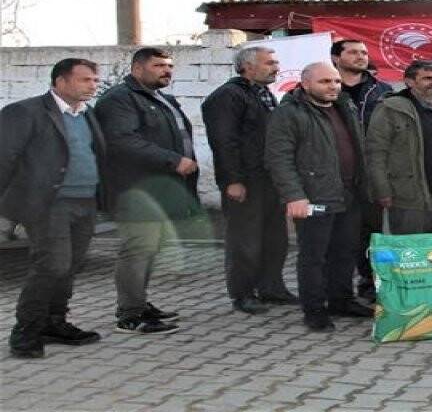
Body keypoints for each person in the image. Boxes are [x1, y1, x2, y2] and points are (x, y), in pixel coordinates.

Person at [1, 59, 107, 358]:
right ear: (60, 81)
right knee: (52, 265)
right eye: (85, 80)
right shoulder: (25, 112)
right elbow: (4, 157)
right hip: (48, 203)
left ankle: (54, 322)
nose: (93, 86)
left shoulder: (87, 113)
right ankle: (26, 332)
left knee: (71, 265)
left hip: (86, 201)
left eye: (95, 80)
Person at [96, 47, 201, 335]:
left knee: (150, 247)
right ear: (137, 68)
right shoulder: (119, 99)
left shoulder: (161, 98)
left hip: (160, 188)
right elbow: (121, 141)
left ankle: (139, 303)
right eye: (158, 65)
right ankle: (129, 314)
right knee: (137, 248)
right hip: (135, 189)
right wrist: (173, 160)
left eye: (169, 66)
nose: (167, 71)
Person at [265, 62, 375, 332]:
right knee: (314, 256)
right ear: (305, 84)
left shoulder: (344, 105)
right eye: (325, 82)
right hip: (314, 196)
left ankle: (341, 300)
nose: (333, 86)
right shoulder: (289, 113)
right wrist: (294, 196)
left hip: (349, 194)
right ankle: (314, 310)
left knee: (345, 251)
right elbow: (279, 158)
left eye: (336, 81)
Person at [201, 46, 295, 316]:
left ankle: (271, 288)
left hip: (269, 179)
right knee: (245, 240)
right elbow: (224, 142)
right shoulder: (228, 96)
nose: (276, 67)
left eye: (276, 62)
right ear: (248, 67)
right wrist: (233, 180)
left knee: (274, 238)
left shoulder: (263, 93)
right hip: (246, 180)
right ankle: (242, 294)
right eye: (269, 63)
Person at [367, 61, 432, 235]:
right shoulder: (390, 108)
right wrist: (382, 190)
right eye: (427, 78)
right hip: (409, 197)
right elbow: (376, 152)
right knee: (412, 249)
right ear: (409, 82)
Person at [331, 39, 391, 300]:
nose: (361, 56)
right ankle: (337, 290)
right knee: (338, 235)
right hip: (333, 174)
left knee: (371, 234)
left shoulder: (382, 90)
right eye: (353, 52)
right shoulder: (323, 88)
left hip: (370, 174)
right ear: (336, 58)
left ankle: (369, 283)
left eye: (364, 52)